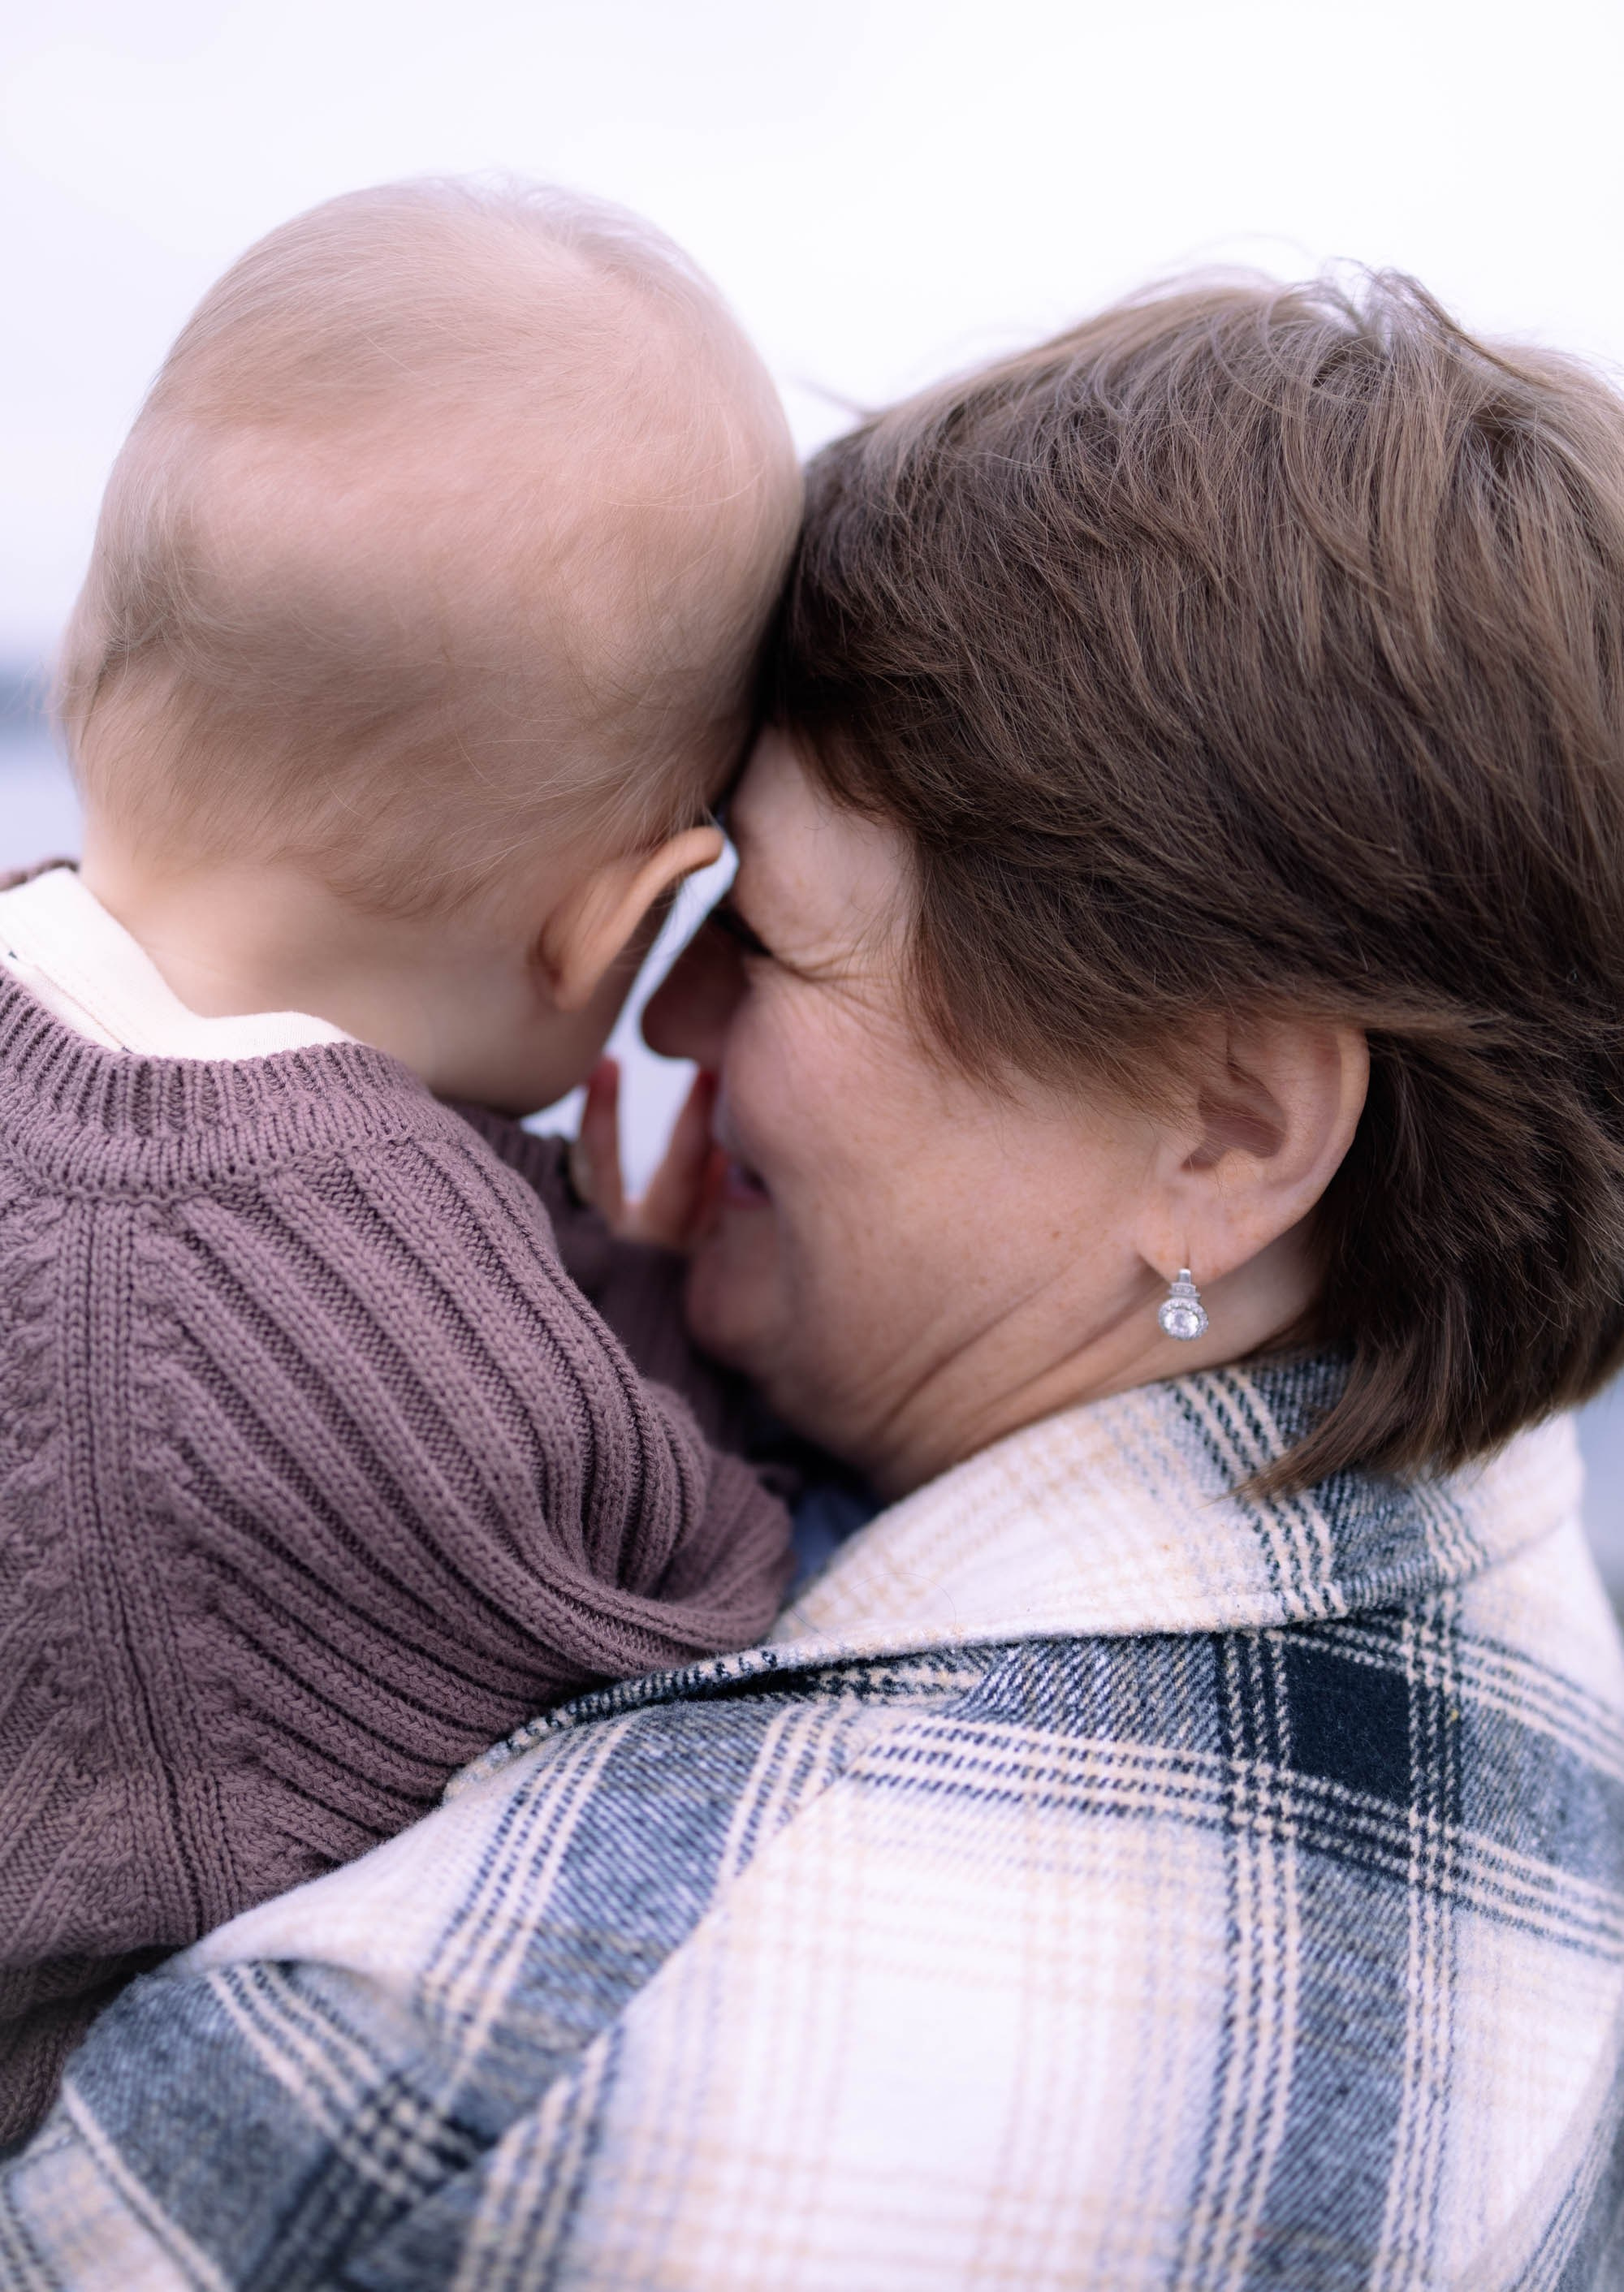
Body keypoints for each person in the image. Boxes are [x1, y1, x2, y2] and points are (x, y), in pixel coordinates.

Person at [6, 270, 1624, 2288]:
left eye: (757, 934)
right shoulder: (1495, 1572)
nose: (644, 1016)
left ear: (1217, 1132)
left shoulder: (500, 2069)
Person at [0, 177, 804, 2143]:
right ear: (621, 925)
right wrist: (649, 1276)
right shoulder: (431, 1349)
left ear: (98, 667)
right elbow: (701, 1619)